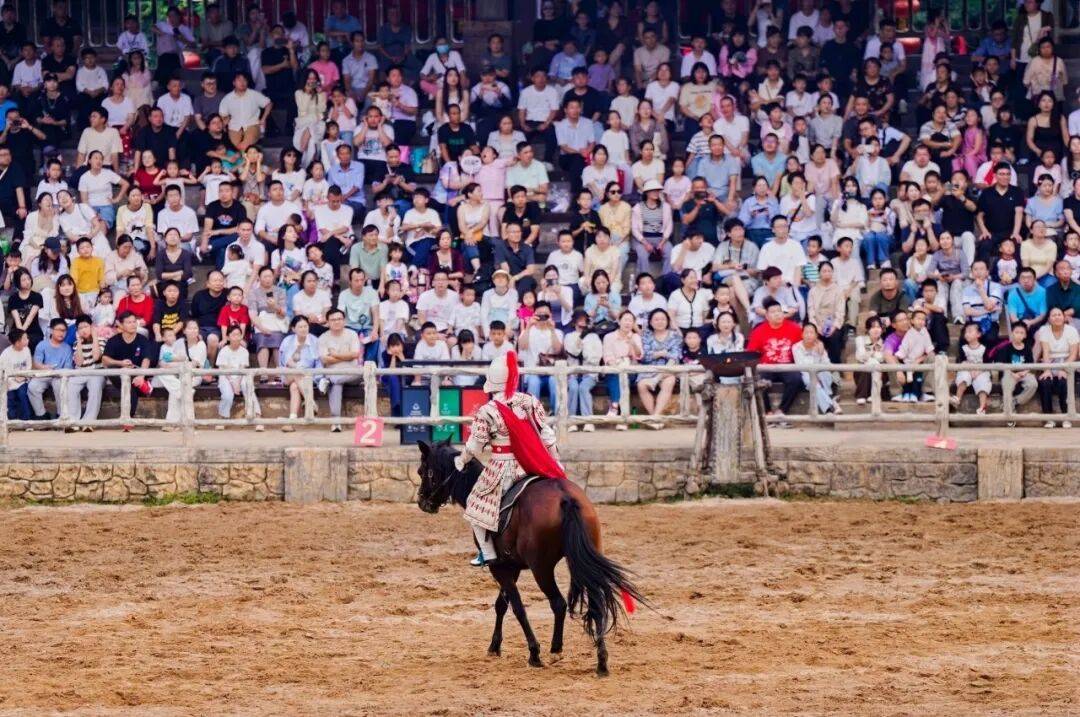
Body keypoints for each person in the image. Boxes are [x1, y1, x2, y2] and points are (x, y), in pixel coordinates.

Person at [450, 350, 561, 566]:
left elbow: (475, 445)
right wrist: (555, 461)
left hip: (502, 467)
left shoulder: (487, 411)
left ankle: (488, 553)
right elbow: (547, 435)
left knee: (474, 503)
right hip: (531, 464)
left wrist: (461, 460)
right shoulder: (528, 401)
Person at [746, 298, 804, 421]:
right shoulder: (759, 330)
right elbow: (751, 352)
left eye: (779, 311)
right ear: (766, 316)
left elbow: (804, 347)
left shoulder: (795, 329)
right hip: (767, 366)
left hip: (788, 365)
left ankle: (782, 410)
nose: (777, 314)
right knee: (758, 380)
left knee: (796, 379)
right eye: (773, 312)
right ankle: (767, 411)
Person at [101, 310, 153, 429]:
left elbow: (146, 359)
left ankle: (128, 418)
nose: (133, 325)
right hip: (118, 372)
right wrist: (120, 363)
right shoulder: (114, 340)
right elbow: (105, 360)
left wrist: (141, 375)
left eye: (134, 322)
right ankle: (129, 416)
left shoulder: (142, 339)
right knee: (116, 372)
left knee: (130, 385)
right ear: (121, 325)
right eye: (129, 322)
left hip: (136, 372)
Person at [317, 307, 360, 432]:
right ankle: (336, 422)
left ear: (344, 321)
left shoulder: (352, 334)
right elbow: (325, 360)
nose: (336, 322)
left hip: (352, 373)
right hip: (333, 372)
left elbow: (355, 354)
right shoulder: (323, 338)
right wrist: (345, 356)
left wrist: (335, 354)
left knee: (360, 371)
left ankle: (332, 380)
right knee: (336, 385)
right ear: (328, 322)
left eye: (339, 319)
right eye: (333, 319)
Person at [1036, 307, 1077, 428]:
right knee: (1044, 382)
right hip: (1050, 362)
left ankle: (1066, 416)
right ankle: (1049, 418)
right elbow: (1046, 352)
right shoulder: (1044, 330)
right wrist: (1047, 369)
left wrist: (1063, 369)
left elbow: (1074, 353)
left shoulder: (1071, 330)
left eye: (1059, 314)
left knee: (1064, 382)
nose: (1057, 317)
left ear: (1064, 317)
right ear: (1049, 319)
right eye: (1053, 315)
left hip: (1067, 362)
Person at [215, 324, 262, 430]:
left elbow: (242, 368)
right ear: (227, 337)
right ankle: (223, 417)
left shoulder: (244, 351)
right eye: (233, 335)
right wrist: (233, 383)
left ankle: (257, 417)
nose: (236, 337)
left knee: (248, 387)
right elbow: (225, 370)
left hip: (241, 376)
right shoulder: (224, 351)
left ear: (241, 336)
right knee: (227, 395)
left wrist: (237, 383)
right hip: (226, 376)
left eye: (238, 335)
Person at [563, 309, 601, 432]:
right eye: (579, 320)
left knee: (583, 388)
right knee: (573, 388)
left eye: (584, 320)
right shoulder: (569, 336)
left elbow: (597, 356)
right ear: (574, 322)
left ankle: (588, 420)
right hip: (573, 373)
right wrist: (580, 339)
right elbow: (572, 352)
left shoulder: (594, 337)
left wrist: (587, 354)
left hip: (589, 372)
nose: (582, 322)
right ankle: (571, 421)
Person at [66, 314, 104, 431]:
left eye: (86, 327)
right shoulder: (76, 344)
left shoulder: (101, 340)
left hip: (96, 372)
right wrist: (79, 343)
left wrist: (95, 336)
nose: (83, 330)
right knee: (70, 386)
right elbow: (79, 362)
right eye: (80, 328)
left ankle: (88, 422)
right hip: (80, 371)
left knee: (95, 388)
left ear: (91, 327)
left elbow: (97, 357)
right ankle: (73, 421)